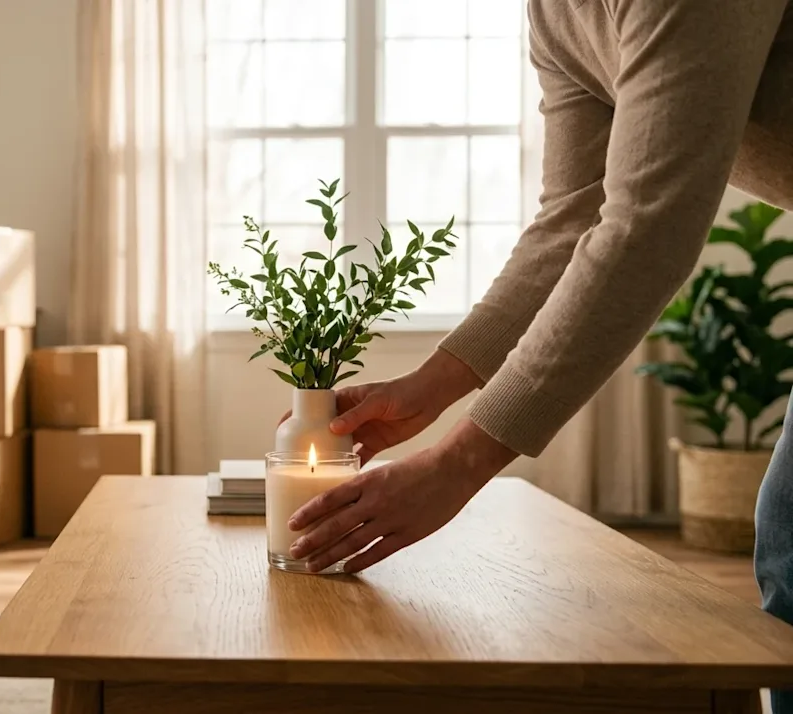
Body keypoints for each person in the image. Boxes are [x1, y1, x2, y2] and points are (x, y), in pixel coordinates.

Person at [288, 0, 793, 706]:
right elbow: (572, 216)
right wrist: (431, 387)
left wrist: (460, 462)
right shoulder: (555, 13)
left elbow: (646, 229)